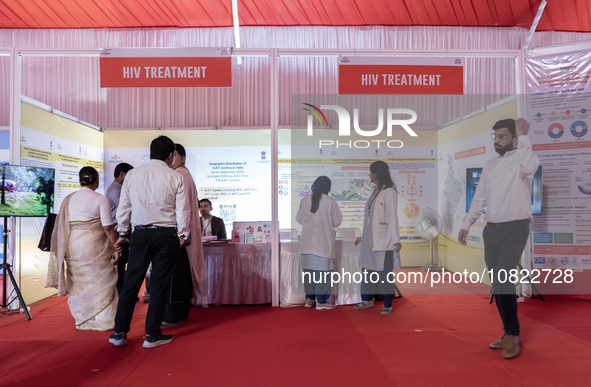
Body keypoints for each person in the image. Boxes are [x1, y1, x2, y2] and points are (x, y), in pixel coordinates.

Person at [458, 118, 539, 360]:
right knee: (499, 283)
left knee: (504, 279)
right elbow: (480, 198)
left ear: (515, 138)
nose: (496, 140)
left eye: (503, 136)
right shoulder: (490, 164)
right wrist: (466, 224)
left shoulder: (525, 159)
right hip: (492, 231)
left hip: (516, 229)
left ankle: (513, 335)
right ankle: (508, 333)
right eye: (495, 136)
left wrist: (524, 136)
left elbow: (529, 167)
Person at [108, 135, 190, 349]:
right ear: (171, 155)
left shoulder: (133, 175)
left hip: (140, 234)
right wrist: (182, 235)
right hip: (166, 235)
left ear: (151, 152)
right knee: (159, 285)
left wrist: (123, 233)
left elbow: (124, 207)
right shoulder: (175, 177)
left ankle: (119, 333)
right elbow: (183, 211)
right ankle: (152, 335)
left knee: (130, 284)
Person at [46, 166, 120, 331]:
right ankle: (103, 320)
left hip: (73, 245)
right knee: (102, 279)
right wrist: (116, 247)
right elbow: (108, 227)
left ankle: (83, 319)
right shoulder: (100, 199)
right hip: (96, 246)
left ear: (80, 180)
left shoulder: (68, 199)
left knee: (79, 280)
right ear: (96, 180)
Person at [162, 143, 207, 326]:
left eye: (174, 155)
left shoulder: (179, 174)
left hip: (178, 231)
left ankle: (172, 315)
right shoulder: (185, 173)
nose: (171, 159)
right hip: (184, 231)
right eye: (169, 155)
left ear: (182, 157)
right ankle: (180, 313)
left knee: (174, 276)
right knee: (182, 273)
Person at [354, 161, 402, 315]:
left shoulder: (389, 192)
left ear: (377, 173)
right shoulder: (375, 190)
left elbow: (392, 218)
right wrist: (363, 236)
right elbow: (370, 219)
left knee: (384, 273)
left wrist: (396, 240)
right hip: (369, 241)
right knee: (367, 272)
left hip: (383, 241)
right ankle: (367, 300)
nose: (369, 174)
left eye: (370, 172)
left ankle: (387, 303)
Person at [296, 176, 343, 310]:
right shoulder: (330, 201)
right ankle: (321, 302)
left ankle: (310, 299)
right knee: (323, 275)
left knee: (308, 274)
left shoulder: (304, 200)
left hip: (306, 244)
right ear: (328, 187)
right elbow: (337, 222)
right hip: (323, 244)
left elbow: (299, 218)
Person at [105, 162, 134, 294]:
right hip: (117, 229)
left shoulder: (119, 187)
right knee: (121, 261)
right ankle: (120, 290)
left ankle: (123, 290)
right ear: (122, 174)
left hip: (121, 228)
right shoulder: (115, 190)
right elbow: (125, 208)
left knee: (125, 260)